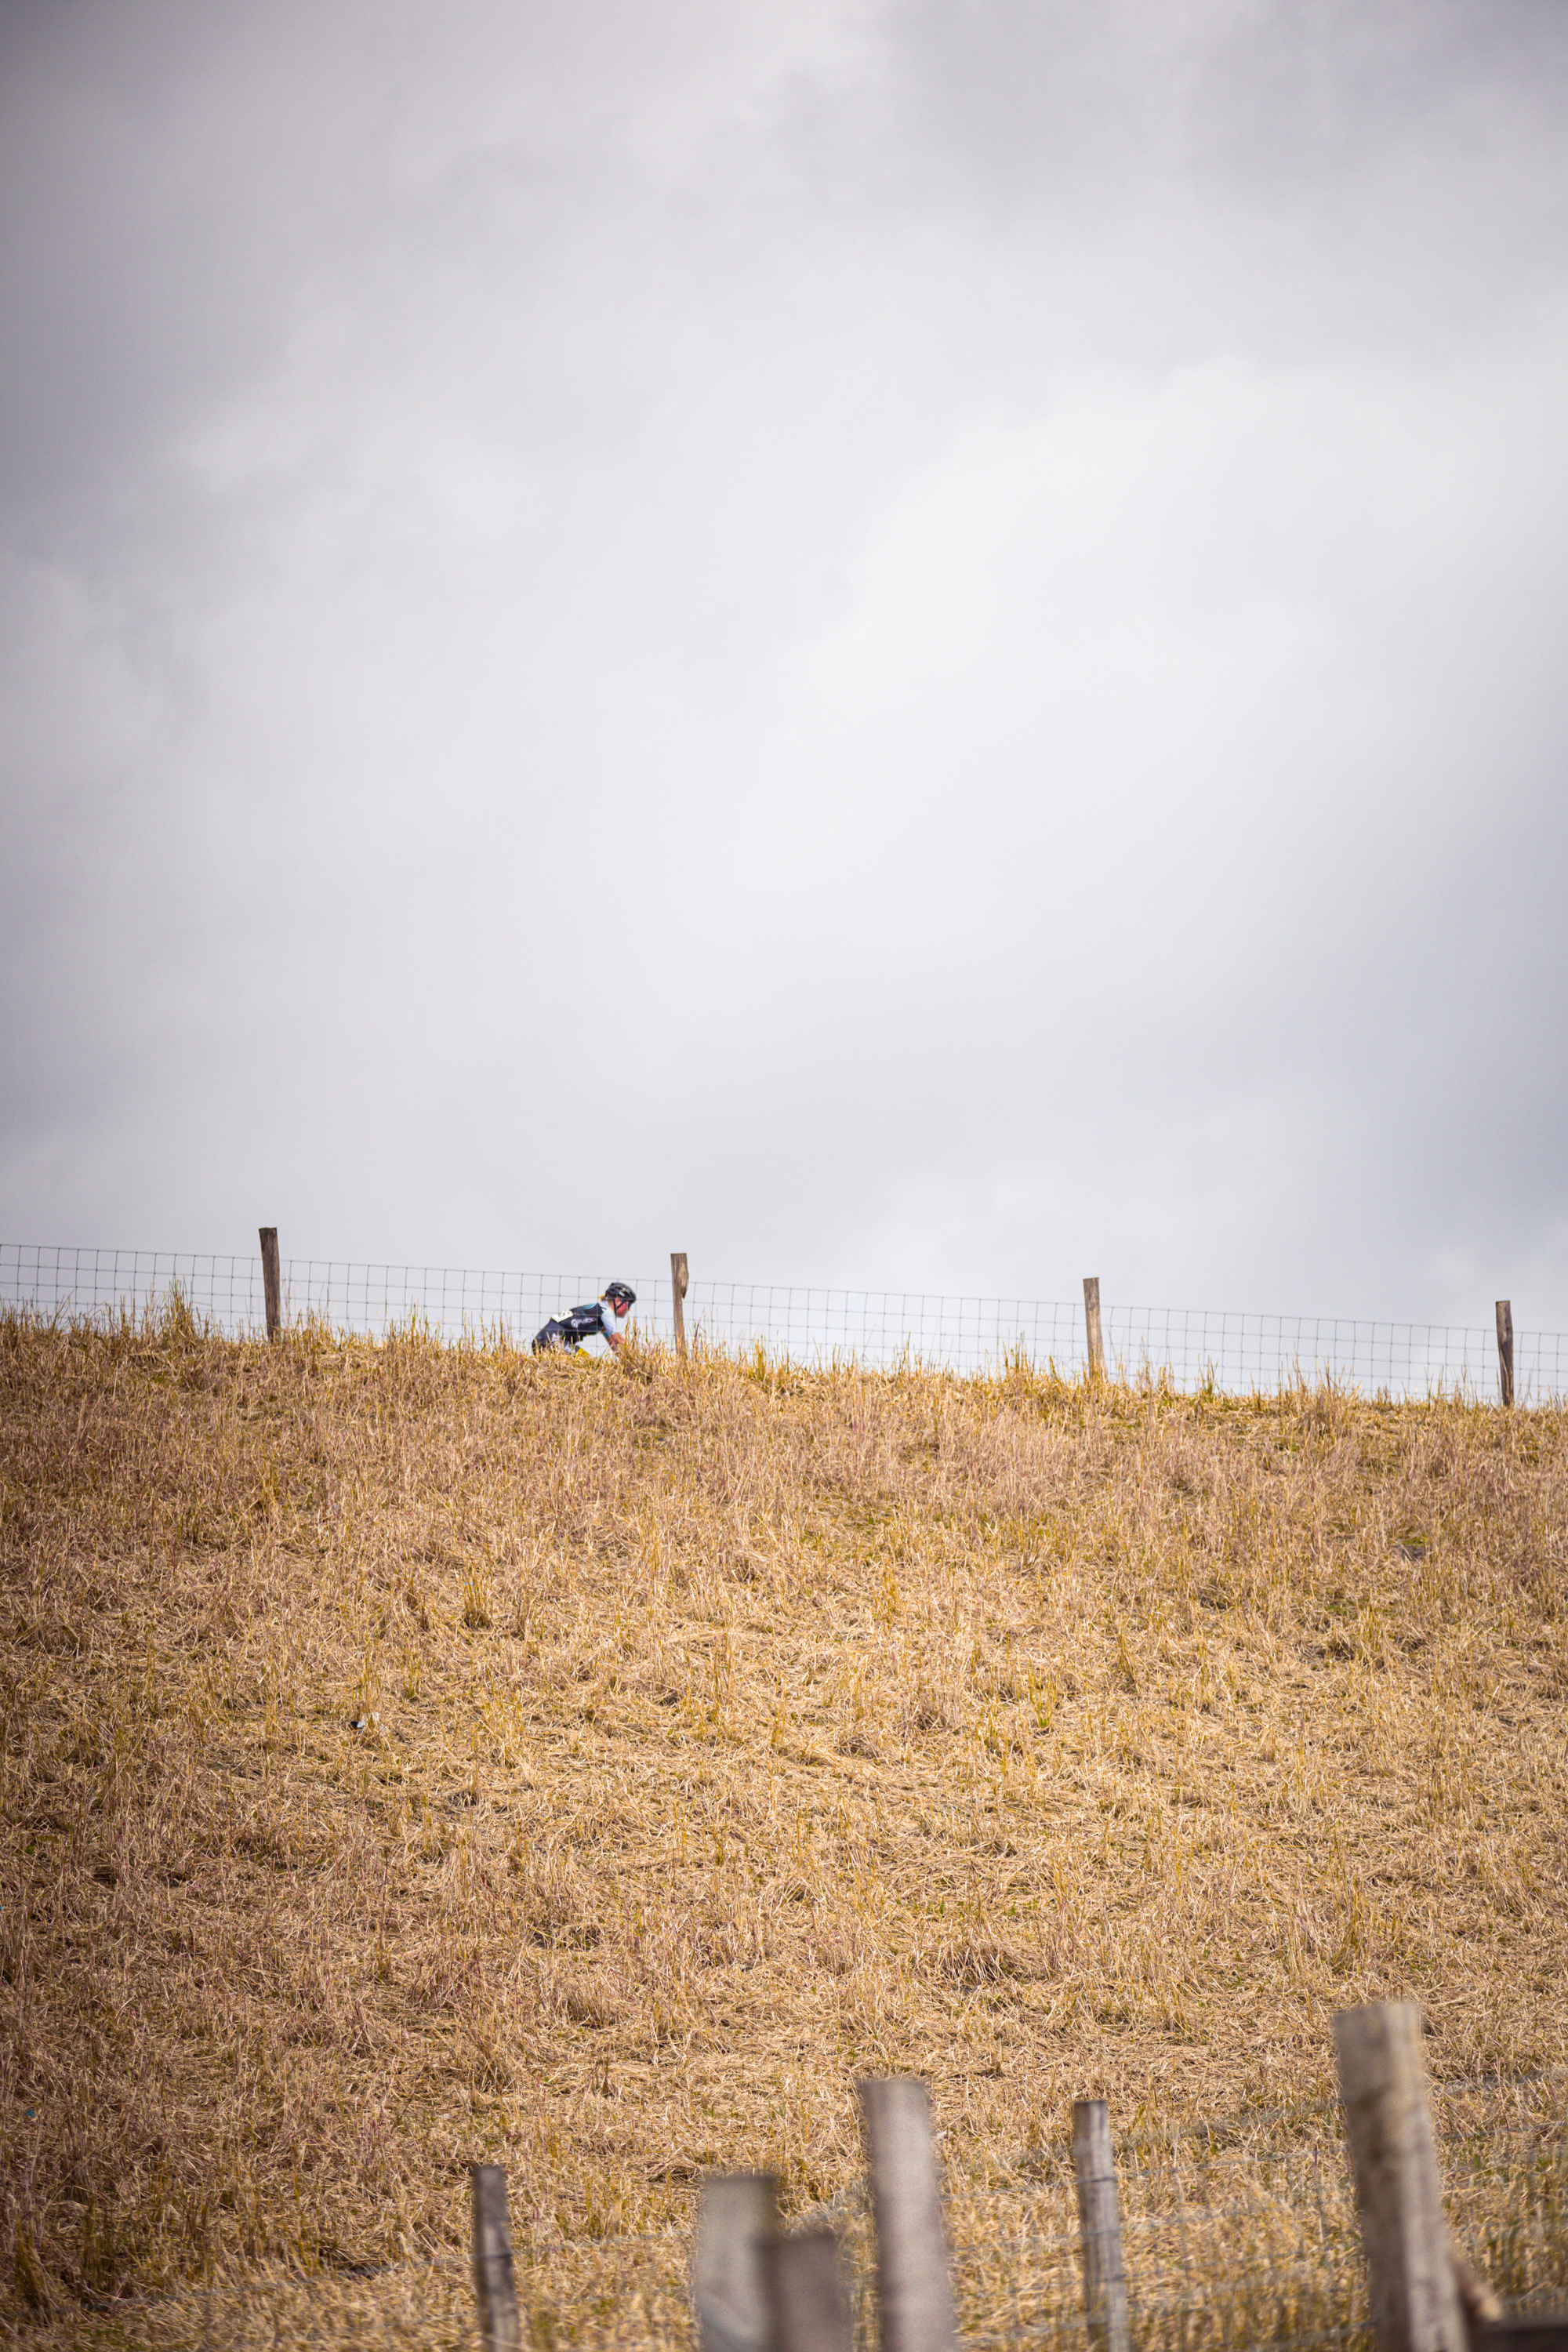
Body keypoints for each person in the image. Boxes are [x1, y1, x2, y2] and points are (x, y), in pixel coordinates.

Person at [532, 1280, 637, 1356]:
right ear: (618, 1301)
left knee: (588, 1363)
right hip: (555, 1337)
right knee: (590, 1365)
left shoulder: (602, 1313)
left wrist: (625, 1360)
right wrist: (637, 1361)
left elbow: (614, 1345)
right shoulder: (607, 1313)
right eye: (629, 1305)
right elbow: (617, 1340)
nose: (629, 1309)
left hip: (543, 1337)